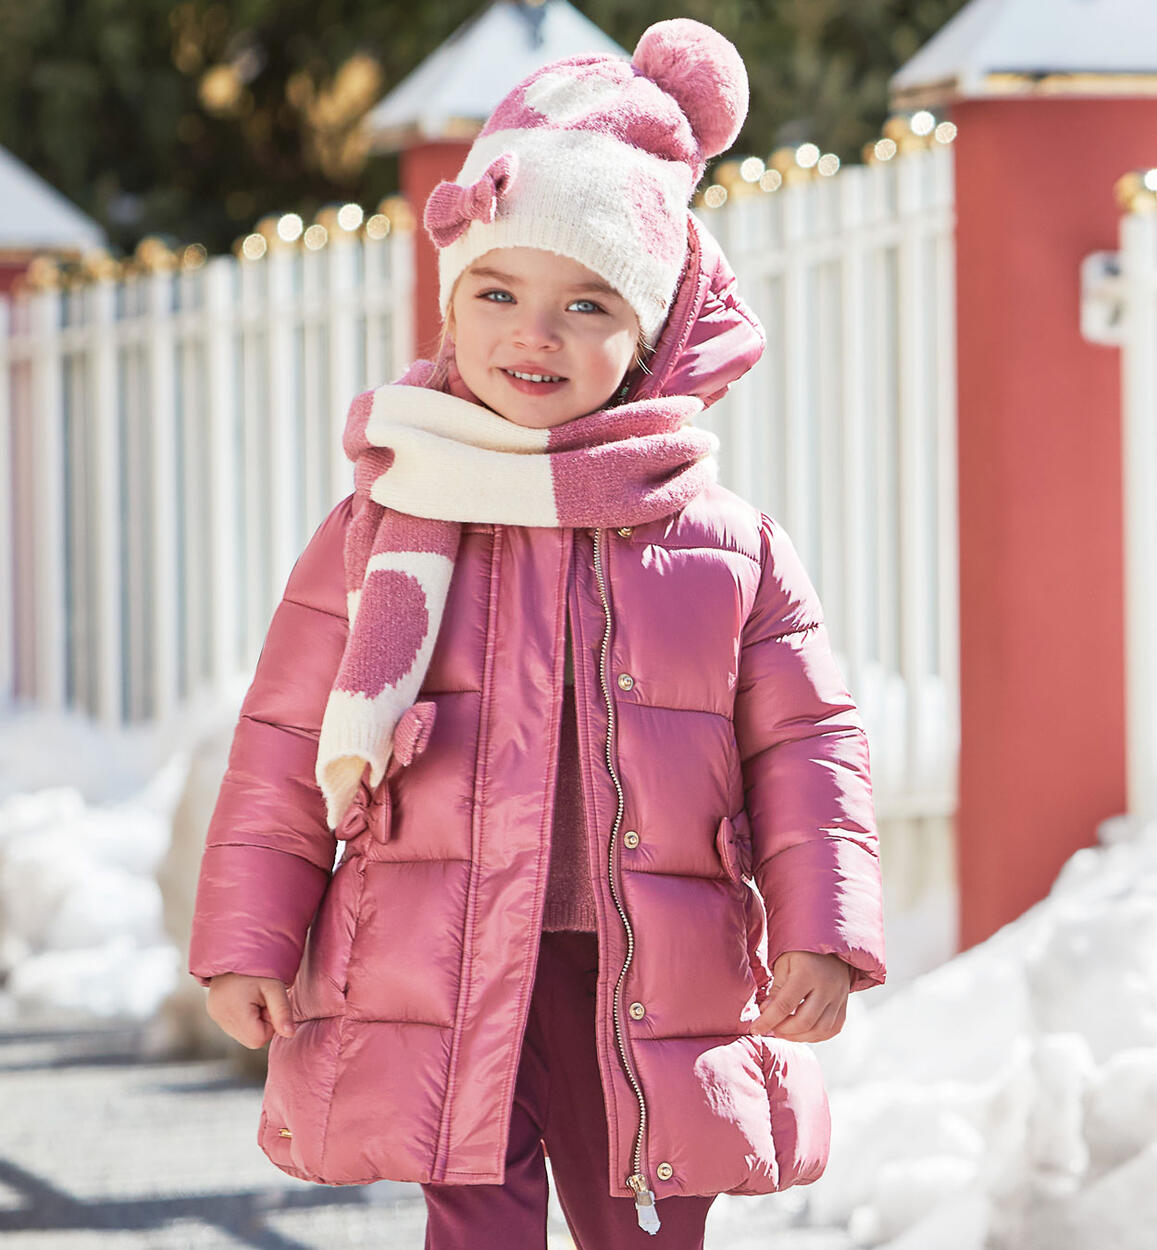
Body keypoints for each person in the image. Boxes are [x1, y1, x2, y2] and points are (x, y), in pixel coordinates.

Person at [189, 18, 885, 1249]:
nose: (535, 333)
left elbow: (806, 749)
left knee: (647, 1218)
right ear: (453, 306)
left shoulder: (723, 546)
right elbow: (286, 734)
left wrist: (823, 926)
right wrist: (249, 932)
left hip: (646, 963)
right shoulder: (388, 515)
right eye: (498, 292)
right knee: (478, 1223)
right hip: (442, 952)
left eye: (585, 304)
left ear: (652, 334)